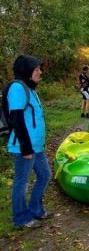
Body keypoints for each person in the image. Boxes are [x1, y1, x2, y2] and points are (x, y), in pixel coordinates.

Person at [4, 55, 52, 228]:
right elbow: (16, 118)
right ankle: (21, 218)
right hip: (24, 146)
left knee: (45, 175)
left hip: (35, 146)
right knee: (22, 182)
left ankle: (35, 209)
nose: (40, 72)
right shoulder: (18, 88)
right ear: (26, 70)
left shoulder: (31, 89)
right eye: (37, 69)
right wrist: (25, 148)